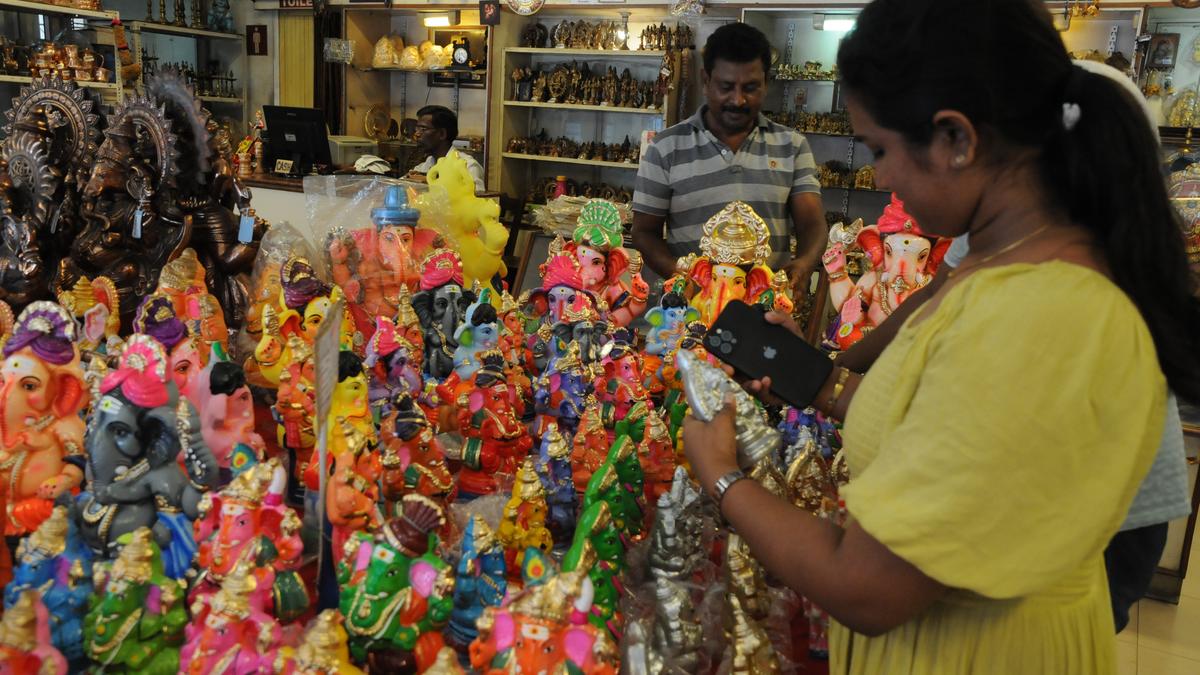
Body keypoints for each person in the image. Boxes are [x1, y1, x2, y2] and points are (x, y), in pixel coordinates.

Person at [683, 1, 1200, 674]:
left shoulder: (1037, 316)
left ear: (956, 138)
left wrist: (722, 475)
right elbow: (942, 417)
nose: (878, 178)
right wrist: (823, 382)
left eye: (880, 150)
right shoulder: (995, 260)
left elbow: (866, 585)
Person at [631, 22, 827, 289]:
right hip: (690, 313)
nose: (738, 100)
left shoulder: (792, 146)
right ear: (706, 80)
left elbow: (812, 225)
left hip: (767, 311)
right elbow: (644, 233)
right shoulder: (665, 148)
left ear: (766, 84)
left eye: (750, 87)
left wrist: (804, 264)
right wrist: (682, 277)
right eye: (726, 86)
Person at [406, 105, 485, 192]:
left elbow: (476, 201)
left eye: (423, 129)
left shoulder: (468, 166)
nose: (417, 134)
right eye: (417, 128)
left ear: (442, 134)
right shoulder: (427, 165)